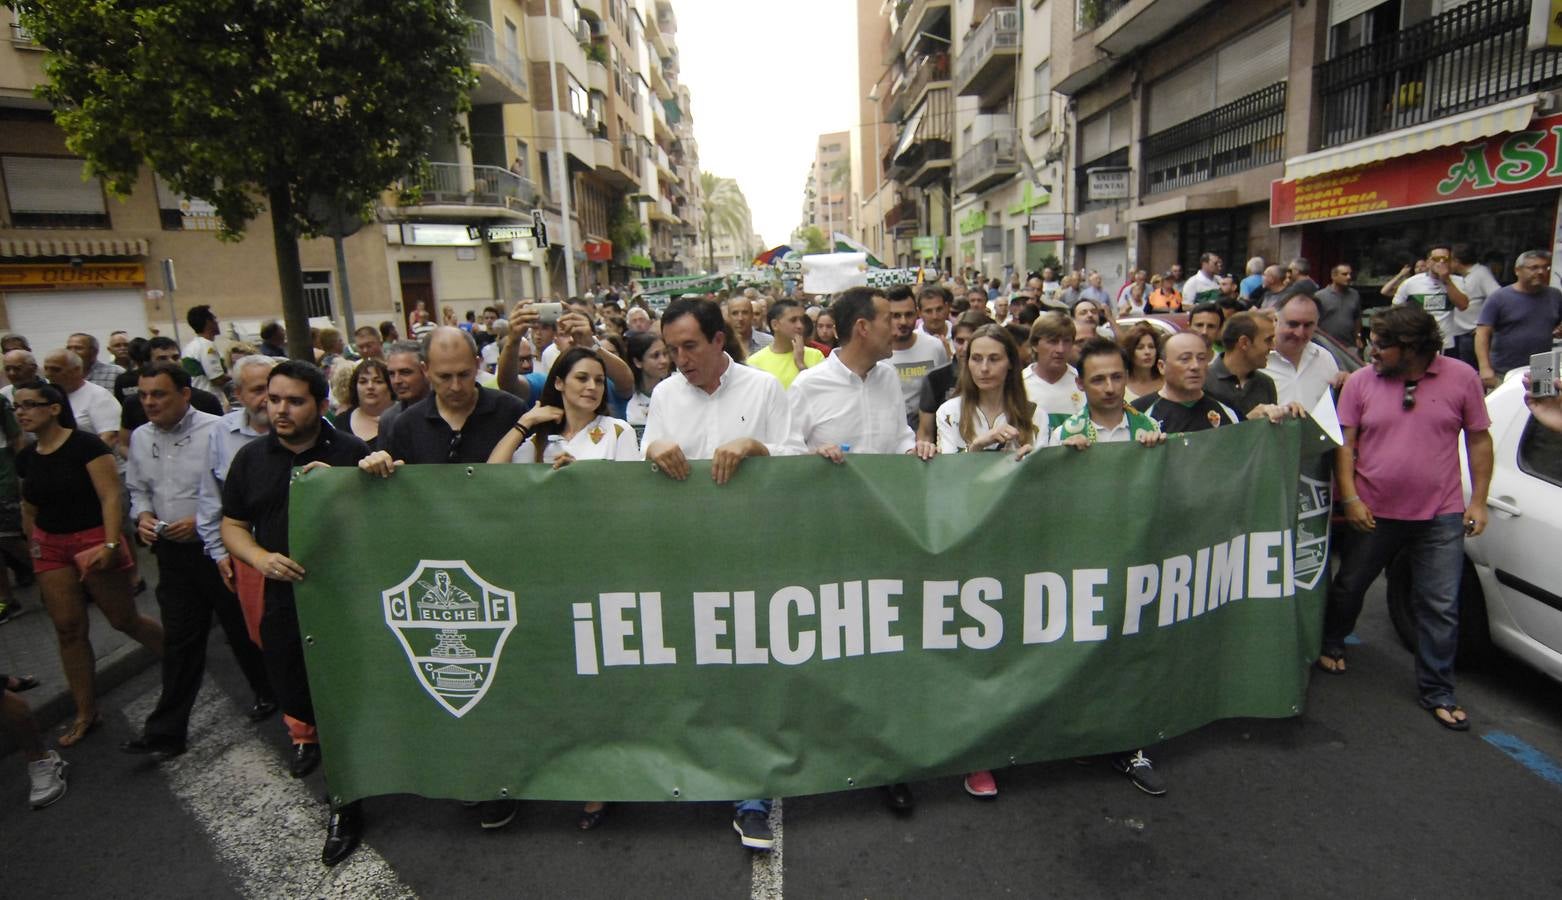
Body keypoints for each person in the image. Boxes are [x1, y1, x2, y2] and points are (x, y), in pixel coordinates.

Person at [356, 328, 528, 830]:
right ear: (425, 373)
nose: (455, 385)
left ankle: (504, 778)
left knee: (506, 680)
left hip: (503, 567)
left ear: (478, 363)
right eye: (444, 376)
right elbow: (382, 499)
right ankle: (466, 772)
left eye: (464, 373)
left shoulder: (509, 410)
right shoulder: (402, 424)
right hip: (437, 576)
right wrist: (375, 465)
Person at [639, 298, 790, 850]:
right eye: (671, 349)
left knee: (748, 670)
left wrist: (754, 445)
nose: (678, 359)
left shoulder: (763, 390)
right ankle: (695, 770)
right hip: (684, 556)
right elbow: (642, 456)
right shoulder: (663, 395)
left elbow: (794, 455)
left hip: (753, 555)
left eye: (690, 347)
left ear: (719, 341)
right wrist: (652, 447)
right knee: (695, 666)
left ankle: (752, 795)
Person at [220, 360, 370, 865]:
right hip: (283, 598)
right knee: (295, 688)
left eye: (294, 401)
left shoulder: (352, 453)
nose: (279, 409)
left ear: (322, 406)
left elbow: (385, 521)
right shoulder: (250, 460)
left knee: (344, 700)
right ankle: (311, 742)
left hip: (345, 598)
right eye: (273, 399)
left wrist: (358, 481)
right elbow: (233, 525)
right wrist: (260, 558)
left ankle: (346, 803)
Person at [1321, 305, 1492, 733]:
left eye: (1380, 345)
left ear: (1411, 348)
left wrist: (1480, 501)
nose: (1370, 351)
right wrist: (1351, 497)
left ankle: (1438, 690)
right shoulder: (1360, 382)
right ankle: (1333, 640)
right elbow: (1346, 443)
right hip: (1373, 511)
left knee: (1440, 604)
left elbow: (1478, 439)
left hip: (1441, 513)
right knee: (1350, 586)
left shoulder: (1462, 378)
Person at [121, 363, 273, 759]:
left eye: (159, 394)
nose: (150, 403)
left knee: (243, 629)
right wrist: (143, 517)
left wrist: (205, 524)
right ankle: (165, 733)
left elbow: (223, 489)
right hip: (172, 553)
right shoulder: (140, 438)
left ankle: (270, 693)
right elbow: (137, 490)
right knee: (181, 639)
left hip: (216, 546)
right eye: (144, 395)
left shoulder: (216, 430)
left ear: (184, 394)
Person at [14, 381, 163, 748]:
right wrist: (34, 545)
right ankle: (86, 711)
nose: (22, 412)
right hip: (50, 546)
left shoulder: (86, 446)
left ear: (53, 408)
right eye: (17, 406)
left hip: (93, 539)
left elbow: (111, 495)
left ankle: (180, 658)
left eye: (30, 404)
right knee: (67, 628)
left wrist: (112, 543)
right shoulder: (26, 456)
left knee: (122, 618)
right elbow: (28, 505)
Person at [789, 286, 936, 471]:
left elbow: (900, 438)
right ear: (863, 327)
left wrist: (914, 450)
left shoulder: (888, 377)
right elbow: (786, 453)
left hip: (887, 496)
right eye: (888, 319)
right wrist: (814, 457)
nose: (896, 328)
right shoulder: (807, 385)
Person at [488, 348, 640, 467]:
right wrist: (525, 421)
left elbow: (630, 490)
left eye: (599, 381)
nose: (592, 386)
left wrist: (579, 474)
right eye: (582, 378)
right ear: (559, 383)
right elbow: (493, 473)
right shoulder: (541, 440)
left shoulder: (618, 431)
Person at [935, 324, 1038, 456]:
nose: (984, 368)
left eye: (994, 359)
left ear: (1011, 362)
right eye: (976, 359)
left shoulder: (1035, 415)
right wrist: (977, 446)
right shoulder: (949, 413)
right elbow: (947, 472)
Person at [1053, 337, 1164, 448]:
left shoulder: (1151, 428)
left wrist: (1157, 450)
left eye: (1116, 377)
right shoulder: (1062, 437)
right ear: (1080, 383)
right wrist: (1066, 458)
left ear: (1126, 377)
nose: (1110, 389)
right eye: (1098, 380)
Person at [1475, 250, 1562, 390]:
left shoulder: (1555, 296)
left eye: (1545, 267)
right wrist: (1484, 368)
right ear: (1517, 270)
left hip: (1543, 367)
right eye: (1534, 267)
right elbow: (1482, 333)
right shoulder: (1499, 298)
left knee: (1542, 409)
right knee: (1504, 409)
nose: (1541, 272)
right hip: (1504, 370)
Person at [118, 337, 224, 448]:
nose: (171, 362)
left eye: (175, 357)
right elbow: (124, 445)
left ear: (185, 395)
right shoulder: (133, 404)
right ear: (147, 363)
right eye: (162, 358)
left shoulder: (206, 400)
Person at [1131, 332, 1240, 432]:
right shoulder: (1137, 413)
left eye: (1201, 358)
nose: (1195, 366)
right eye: (1185, 359)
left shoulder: (1227, 409)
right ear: (1162, 367)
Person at [1205, 311, 1299, 421]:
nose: (1273, 347)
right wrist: (1248, 421)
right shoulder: (1203, 382)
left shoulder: (1266, 383)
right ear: (1244, 343)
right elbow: (1203, 435)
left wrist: (1286, 413)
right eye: (1268, 340)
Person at [917, 311, 987, 444]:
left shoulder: (998, 377)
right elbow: (925, 433)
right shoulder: (936, 378)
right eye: (960, 341)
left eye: (971, 341)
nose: (965, 348)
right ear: (952, 341)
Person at [1264, 293, 1343, 409]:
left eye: (1307, 325)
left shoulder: (1324, 358)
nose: (1299, 333)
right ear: (1275, 320)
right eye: (1293, 324)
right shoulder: (1259, 361)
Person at [886, 287, 951, 427]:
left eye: (908, 314)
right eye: (896, 316)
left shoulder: (935, 347)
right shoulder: (876, 353)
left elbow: (944, 391)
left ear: (917, 314)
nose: (903, 322)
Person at [1392, 242, 1470, 352]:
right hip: (1418, 342)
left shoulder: (1458, 281)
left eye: (1445, 259)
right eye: (1437, 258)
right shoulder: (1410, 283)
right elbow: (1395, 309)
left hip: (1446, 343)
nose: (1441, 262)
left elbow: (1463, 305)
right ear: (1428, 262)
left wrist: (1446, 280)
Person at [42, 349, 121, 449]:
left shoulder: (99, 396)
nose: (48, 374)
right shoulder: (47, 397)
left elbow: (110, 437)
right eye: (46, 368)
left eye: (56, 370)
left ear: (77, 370)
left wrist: (84, 462)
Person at [1023, 313, 1083, 435]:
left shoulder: (1083, 383)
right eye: (1052, 342)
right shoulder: (1019, 384)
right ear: (1035, 345)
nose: (1060, 349)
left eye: (1066, 342)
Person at [744, 299, 824, 389]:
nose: (800, 325)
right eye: (793, 320)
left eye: (802, 320)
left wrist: (801, 365)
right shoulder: (755, 362)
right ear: (775, 325)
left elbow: (819, 395)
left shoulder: (816, 356)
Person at [1449, 244, 1501, 367]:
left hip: (1475, 334)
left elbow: (1498, 296)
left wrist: (1490, 323)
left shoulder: (1481, 273)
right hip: (1462, 332)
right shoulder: (1463, 276)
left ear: (1456, 261)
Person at [329, 358, 395, 450]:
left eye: (378, 381)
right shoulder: (341, 421)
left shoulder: (403, 418)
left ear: (390, 386)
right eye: (363, 382)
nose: (370, 386)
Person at [624, 331, 670, 437]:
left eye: (665, 353)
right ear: (638, 362)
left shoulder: (675, 392)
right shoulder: (626, 395)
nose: (664, 360)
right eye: (655, 356)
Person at [182, 305, 230, 395]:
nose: (217, 322)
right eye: (214, 319)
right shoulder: (207, 346)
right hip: (209, 399)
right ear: (208, 322)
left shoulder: (191, 347)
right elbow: (217, 379)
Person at [1315, 264, 1363, 351]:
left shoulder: (1354, 295)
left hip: (1349, 345)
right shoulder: (1320, 296)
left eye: (1350, 274)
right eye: (1344, 274)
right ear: (1334, 276)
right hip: (1326, 345)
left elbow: (1357, 318)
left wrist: (1358, 336)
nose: (1349, 277)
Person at [1118, 322, 1163, 404]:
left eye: (1151, 347)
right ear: (1130, 352)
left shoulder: (1167, 382)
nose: (1147, 352)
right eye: (1140, 348)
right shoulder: (1120, 385)